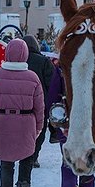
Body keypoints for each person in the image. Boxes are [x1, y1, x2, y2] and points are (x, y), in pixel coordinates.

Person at [0, 39, 44, 187]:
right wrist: (39, 126)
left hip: (1, 120)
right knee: (27, 158)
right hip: (26, 121)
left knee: (6, 161)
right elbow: (39, 106)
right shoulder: (33, 77)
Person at [45, 61, 95, 187]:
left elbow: (52, 96)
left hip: (67, 120)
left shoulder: (62, 67)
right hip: (91, 120)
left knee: (69, 162)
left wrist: (54, 121)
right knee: (89, 159)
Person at [22, 34, 53, 167]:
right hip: (41, 103)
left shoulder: (18, 61)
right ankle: (34, 156)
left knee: (23, 130)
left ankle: (24, 155)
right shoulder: (44, 61)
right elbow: (51, 83)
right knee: (39, 130)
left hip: (21, 103)